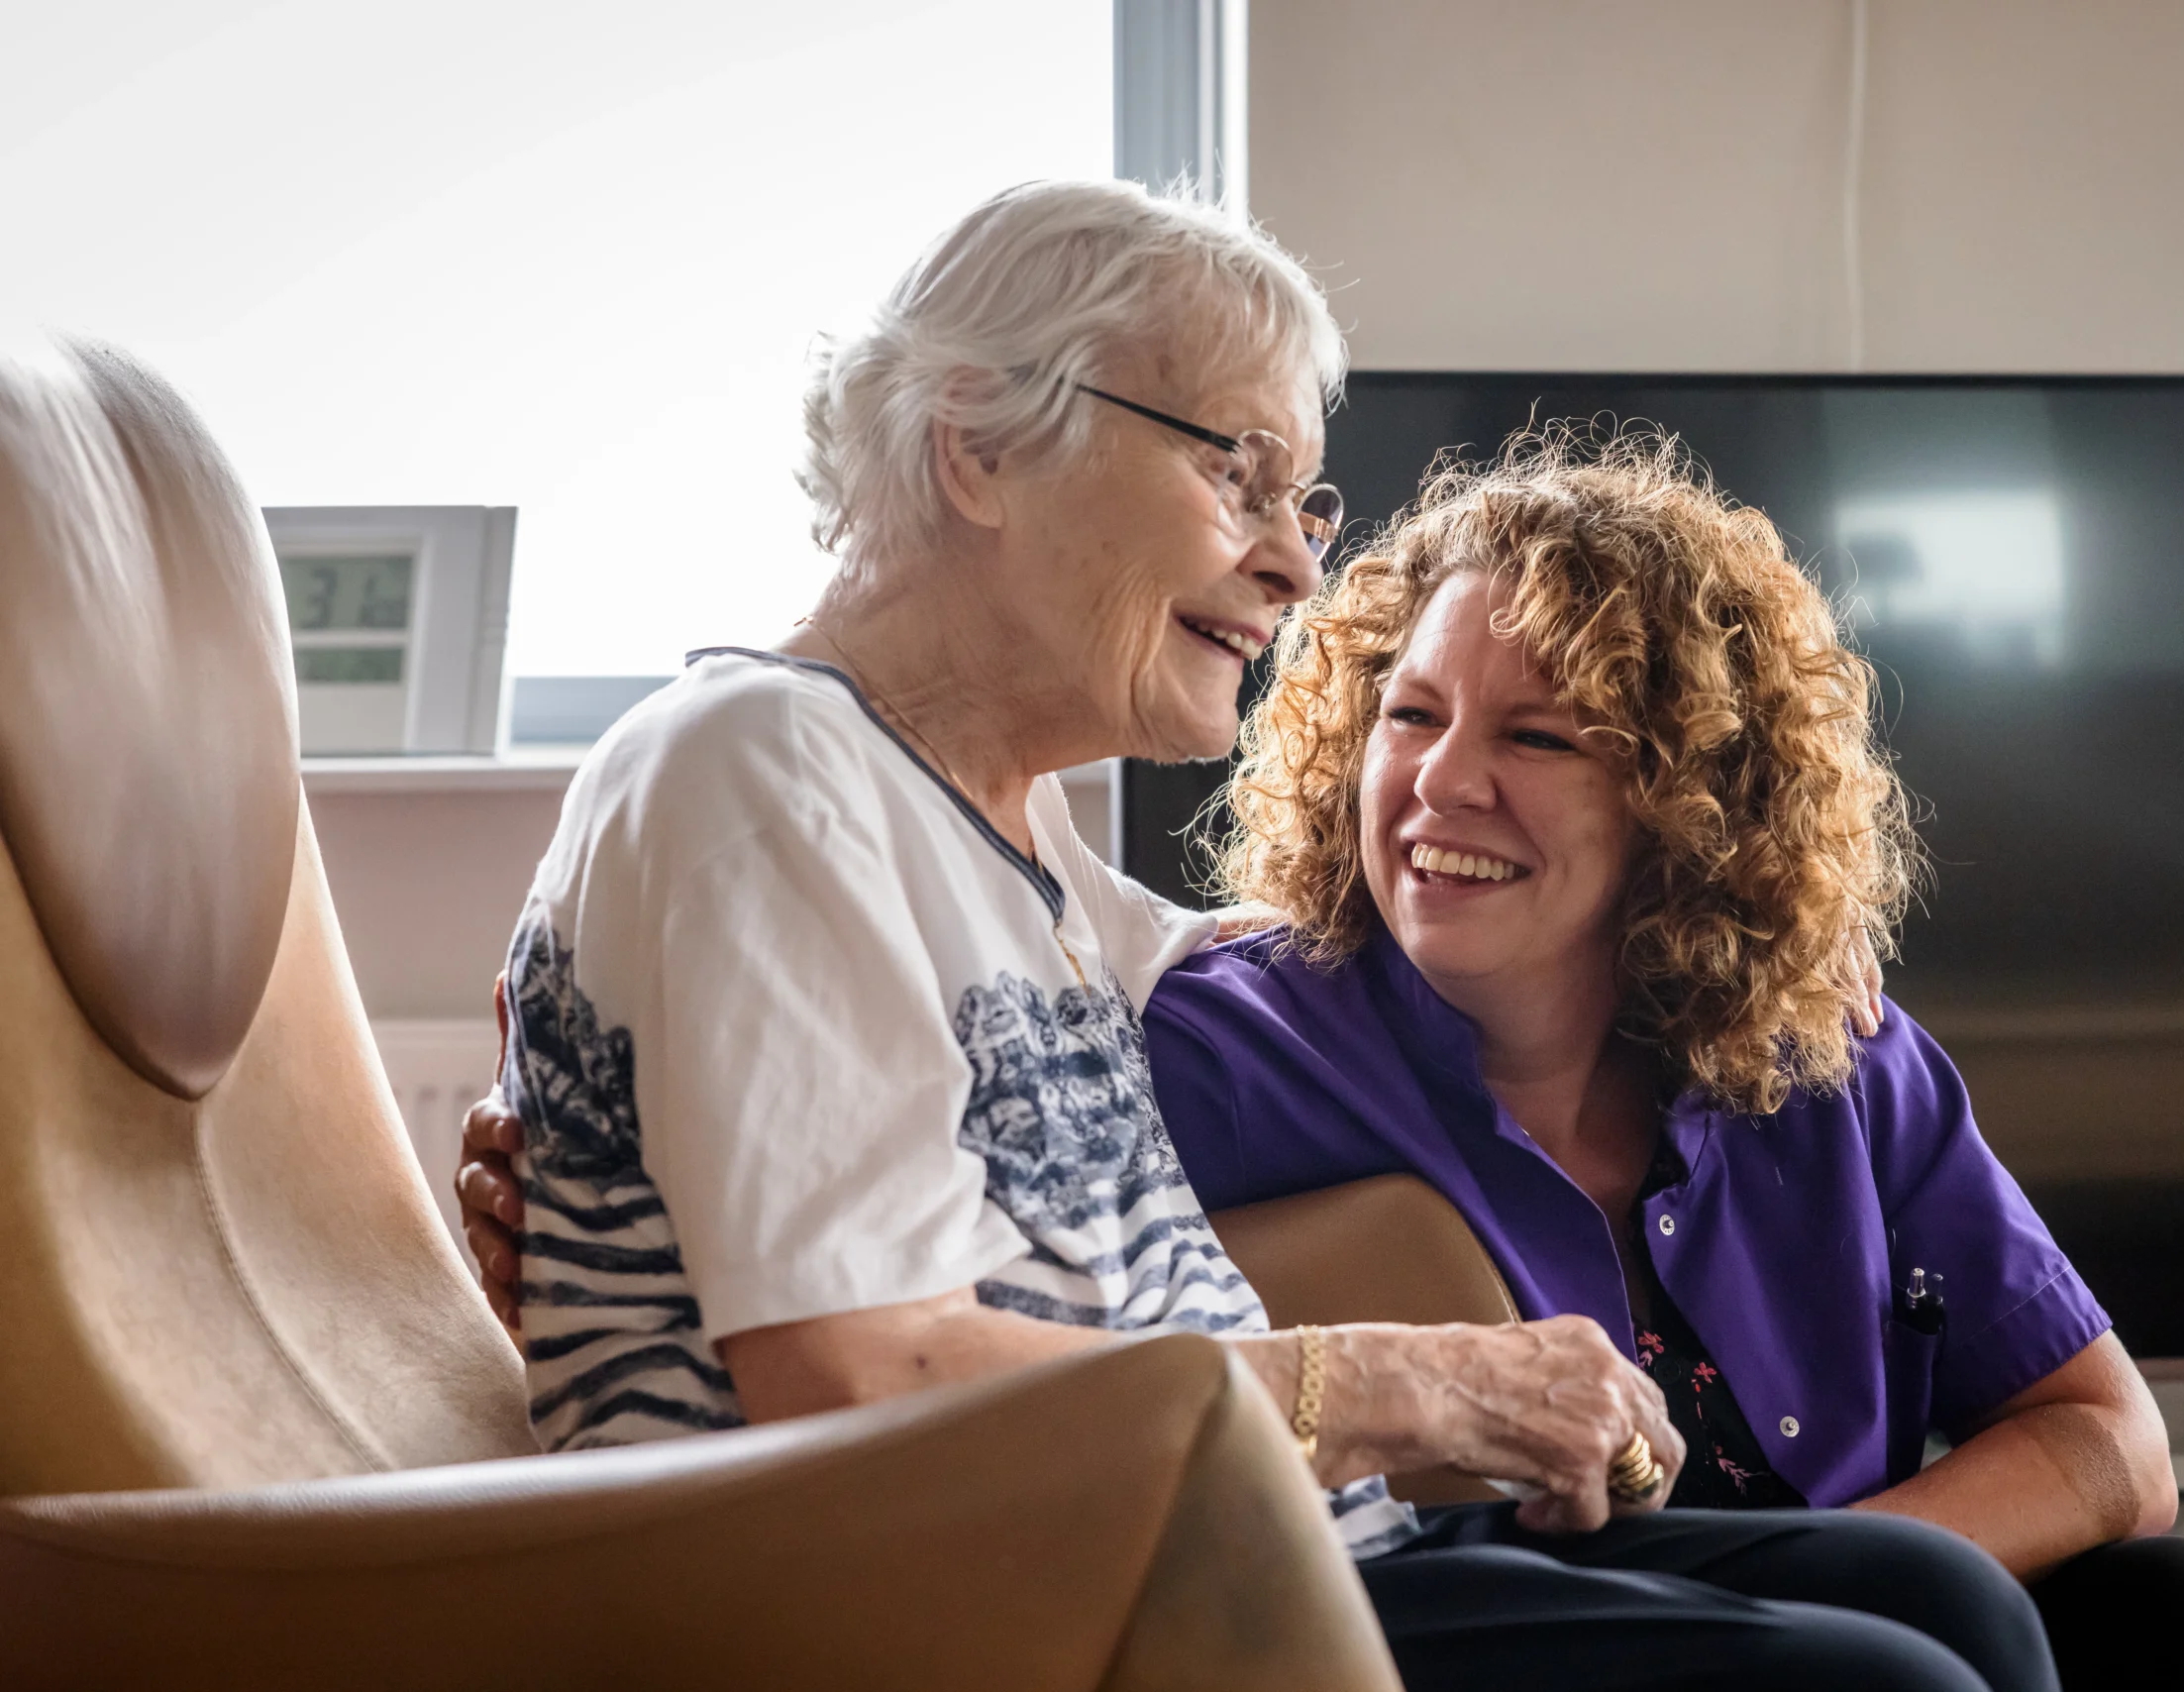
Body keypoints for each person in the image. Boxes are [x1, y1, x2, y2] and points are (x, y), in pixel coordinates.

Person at [459, 176, 2066, 1692]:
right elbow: (861, 1389)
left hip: (1214, 1557)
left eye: (1303, 496)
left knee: (1956, 1597)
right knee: (1895, 1674)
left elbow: (1233, 949)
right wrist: (1418, 1378)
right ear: (977, 447)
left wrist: (1726, 928)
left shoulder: (1001, 836)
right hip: (1013, 1613)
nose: (1299, 562)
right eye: (1235, 472)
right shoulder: (759, 767)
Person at [1141, 434, 2184, 1692]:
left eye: (1537, 737)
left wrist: (1842, 1584)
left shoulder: (1827, 1056)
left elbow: (2115, 1445)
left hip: (1834, 1622)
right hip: (1480, 1643)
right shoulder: (1225, 1055)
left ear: (1689, 798)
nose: (1441, 781)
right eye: (1410, 714)